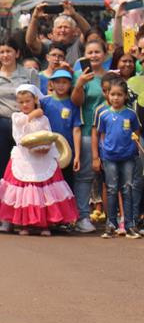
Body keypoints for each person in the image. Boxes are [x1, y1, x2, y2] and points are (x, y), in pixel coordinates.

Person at [0, 88, 77, 235]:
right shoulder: (17, 117)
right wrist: (32, 115)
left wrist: (46, 147)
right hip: (25, 157)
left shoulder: (44, 119)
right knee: (25, 191)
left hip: (43, 156)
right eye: (21, 102)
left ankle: (45, 225)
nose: (24, 105)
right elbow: (19, 137)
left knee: (45, 190)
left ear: (35, 100)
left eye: (28, 101)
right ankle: (25, 224)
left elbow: (48, 134)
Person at [0, 37, 39, 226]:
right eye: (2, 52)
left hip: (24, 127)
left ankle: (26, 215)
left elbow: (38, 101)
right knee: (2, 172)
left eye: (9, 51)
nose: (5, 55)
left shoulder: (29, 74)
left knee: (27, 171)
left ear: (17, 53)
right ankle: (5, 216)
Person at [92, 78, 143, 238]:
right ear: (108, 95)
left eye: (119, 94)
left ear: (125, 96)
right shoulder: (103, 114)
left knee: (127, 188)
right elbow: (101, 134)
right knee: (112, 189)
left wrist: (133, 143)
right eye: (113, 94)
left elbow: (137, 131)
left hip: (128, 157)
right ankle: (111, 224)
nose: (115, 98)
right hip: (110, 158)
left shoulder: (131, 113)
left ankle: (129, 225)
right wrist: (100, 154)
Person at [71, 39, 109, 233]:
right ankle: (82, 216)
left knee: (110, 177)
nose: (94, 55)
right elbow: (76, 102)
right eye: (90, 52)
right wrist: (79, 85)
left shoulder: (110, 76)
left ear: (105, 54)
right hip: (86, 130)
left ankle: (113, 218)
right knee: (85, 176)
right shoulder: (80, 75)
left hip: (109, 134)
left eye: (97, 52)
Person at [39, 69, 80, 186]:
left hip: (66, 152)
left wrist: (77, 155)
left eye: (64, 82)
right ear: (51, 83)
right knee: (48, 184)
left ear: (70, 84)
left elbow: (76, 130)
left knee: (66, 184)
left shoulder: (73, 103)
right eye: (57, 82)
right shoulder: (44, 102)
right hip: (47, 150)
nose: (61, 85)